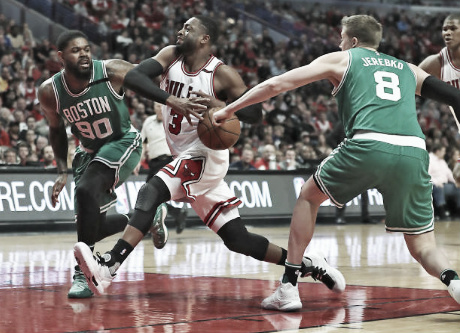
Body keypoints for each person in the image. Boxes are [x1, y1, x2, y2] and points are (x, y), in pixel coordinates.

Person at [73, 16, 345, 297]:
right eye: (181, 27)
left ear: (205, 38)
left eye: (188, 28)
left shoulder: (221, 74)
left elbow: (256, 114)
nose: (180, 30)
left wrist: (224, 105)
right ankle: (309, 264)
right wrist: (171, 99)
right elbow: (135, 77)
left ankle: (109, 266)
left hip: (207, 154)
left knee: (150, 191)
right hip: (186, 157)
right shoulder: (170, 56)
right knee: (238, 240)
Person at [212, 15, 460, 310]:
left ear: (352, 41)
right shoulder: (408, 68)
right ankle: (454, 281)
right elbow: (453, 96)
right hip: (413, 150)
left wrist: (229, 110)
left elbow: (277, 84)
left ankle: (289, 288)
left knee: (308, 196)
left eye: (342, 38)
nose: (339, 43)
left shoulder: (344, 58)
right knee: (423, 245)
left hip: (368, 142)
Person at [37, 30, 165, 299]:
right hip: (88, 152)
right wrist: (62, 169)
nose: (83, 53)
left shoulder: (110, 70)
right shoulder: (50, 91)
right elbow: (56, 130)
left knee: (85, 190)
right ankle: (146, 218)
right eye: (75, 50)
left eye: (86, 48)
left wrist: (173, 99)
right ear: (61, 57)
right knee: (92, 224)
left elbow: (144, 78)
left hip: (122, 141)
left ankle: (83, 274)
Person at [419, 14, 460, 182]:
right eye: (444, 29)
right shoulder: (436, 63)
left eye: (453, 28)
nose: (447, 33)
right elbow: (407, 82)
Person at [139, 101, 188, 238]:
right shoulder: (148, 121)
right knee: (154, 197)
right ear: (153, 108)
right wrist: (139, 160)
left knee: (149, 195)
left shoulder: (174, 120)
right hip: (153, 163)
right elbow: (143, 143)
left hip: (168, 161)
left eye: (162, 106)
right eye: (156, 106)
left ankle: (151, 228)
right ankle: (176, 214)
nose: (159, 108)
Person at [428, 143, 460, 219]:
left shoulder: (442, 161)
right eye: (443, 151)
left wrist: (456, 181)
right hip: (434, 185)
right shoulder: (429, 159)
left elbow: (449, 174)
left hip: (446, 185)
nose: (444, 153)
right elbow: (427, 175)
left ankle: (458, 211)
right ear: (438, 151)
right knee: (439, 188)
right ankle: (442, 211)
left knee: (458, 189)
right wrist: (436, 182)